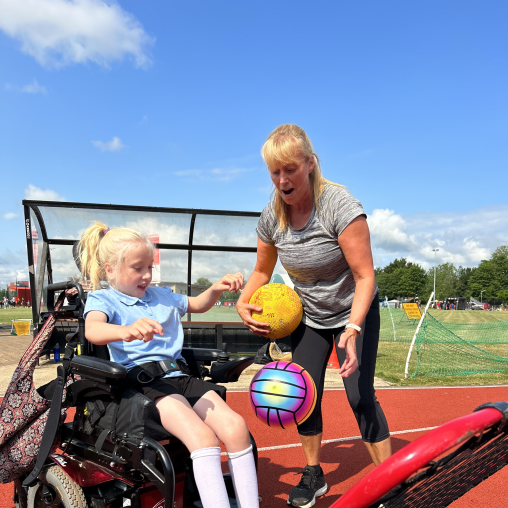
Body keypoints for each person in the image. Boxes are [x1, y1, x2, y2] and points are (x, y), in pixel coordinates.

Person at [237, 124, 391, 508]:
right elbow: (261, 271)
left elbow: (365, 276)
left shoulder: (339, 205)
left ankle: (390, 483)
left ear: (310, 164)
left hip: (354, 309)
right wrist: (243, 301)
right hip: (310, 314)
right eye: (275, 172)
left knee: (360, 396)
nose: (282, 180)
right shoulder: (273, 214)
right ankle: (314, 472)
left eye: (290, 169)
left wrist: (353, 328)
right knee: (303, 393)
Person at [80, 222, 259, 508]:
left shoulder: (161, 294)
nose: (147, 275)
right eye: (138, 268)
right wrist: (125, 330)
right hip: (144, 382)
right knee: (203, 438)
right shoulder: (104, 298)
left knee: (236, 426)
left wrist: (215, 288)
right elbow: (93, 331)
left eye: (149, 267)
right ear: (110, 269)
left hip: (179, 375)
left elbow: (198, 304)